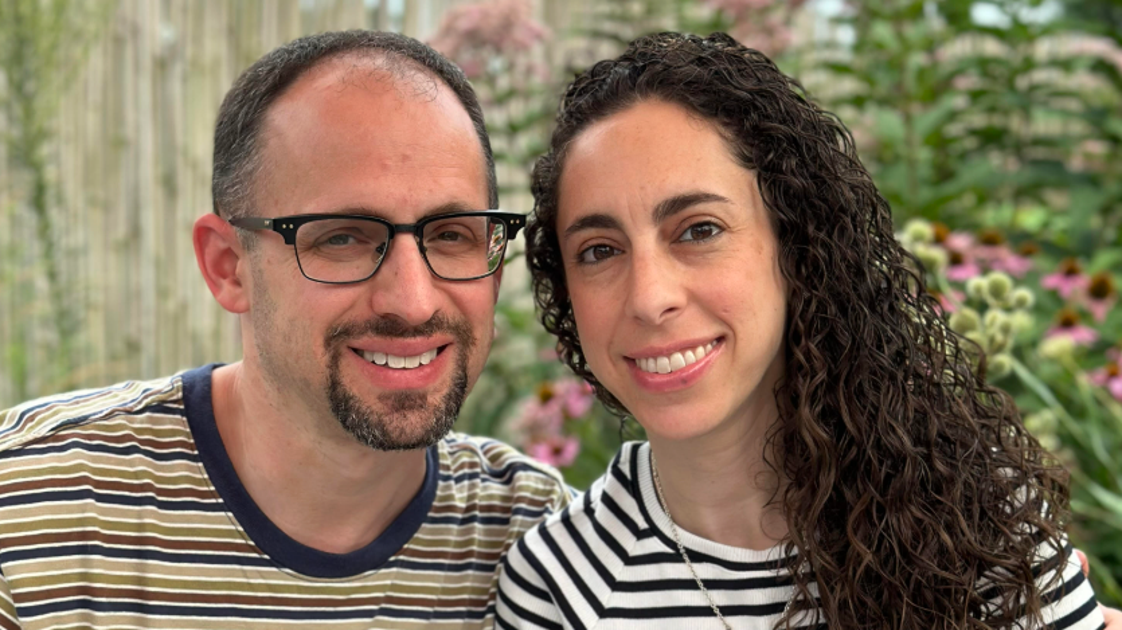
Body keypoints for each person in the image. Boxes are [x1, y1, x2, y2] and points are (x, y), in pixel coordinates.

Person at [496, 32, 1113, 629]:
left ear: (798, 247)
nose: (650, 298)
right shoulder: (555, 588)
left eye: (699, 230)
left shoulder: (978, 522)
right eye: (600, 250)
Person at [0, 30, 571, 629]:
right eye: (343, 238)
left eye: (451, 234)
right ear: (228, 266)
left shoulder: (540, 544)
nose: (411, 301)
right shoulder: (26, 514)